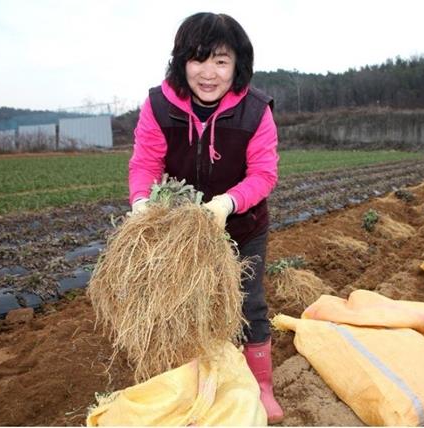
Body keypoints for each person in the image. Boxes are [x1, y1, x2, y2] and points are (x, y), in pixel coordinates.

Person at [127, 12, 283, 423]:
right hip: (184, 233)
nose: (208, 73)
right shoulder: (159, 105)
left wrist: (226, 205)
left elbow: (264, 174)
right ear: (182, 62)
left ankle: (262, 385)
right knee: (191, 305)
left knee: (248, 303)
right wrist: (142, 203)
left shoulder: (255, 110)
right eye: (198, 59)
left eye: (221, 60)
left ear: (238, 65)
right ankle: (199, 381)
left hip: (242, 226)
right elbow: (144, 163)